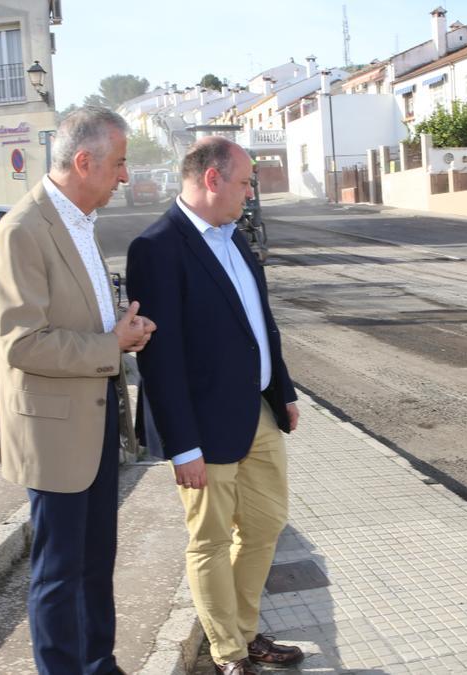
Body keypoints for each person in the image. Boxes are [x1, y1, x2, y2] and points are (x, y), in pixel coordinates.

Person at [0, 106, 154, 675]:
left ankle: (100, 664)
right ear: (84, 162)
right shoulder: (23, 230)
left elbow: (81, 321)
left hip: (96, 413)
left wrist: (122, 333)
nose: (125, 176)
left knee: (95, 561)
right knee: (59, 572)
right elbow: (21, 343)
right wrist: (113, 345)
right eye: (120, 164)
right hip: (54, 428)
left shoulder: (81, 221)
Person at [126, 137, 302, 675]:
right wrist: (183, 446)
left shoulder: (236, 239)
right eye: (245, 182)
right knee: (209, 540)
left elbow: (259, 325)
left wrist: (284, 390)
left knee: (267, 524)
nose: (250, 194)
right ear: (211, 179)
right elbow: (161, 360)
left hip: (258, 412)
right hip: (204, 425)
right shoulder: (156, 247)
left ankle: (245, 634)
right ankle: (228, 652)